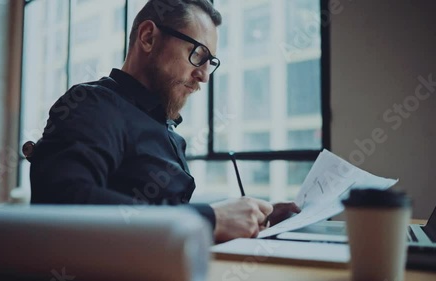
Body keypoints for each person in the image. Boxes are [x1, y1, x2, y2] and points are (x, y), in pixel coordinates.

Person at [29, 0, 300, 242]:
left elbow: (162, 215)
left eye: (210, 62)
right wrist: (209, 220)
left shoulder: (168, 131)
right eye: (198, 55)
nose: (204, 76)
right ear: (148, 37)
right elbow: (63, 201)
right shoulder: (91, 104)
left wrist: (249, 218)